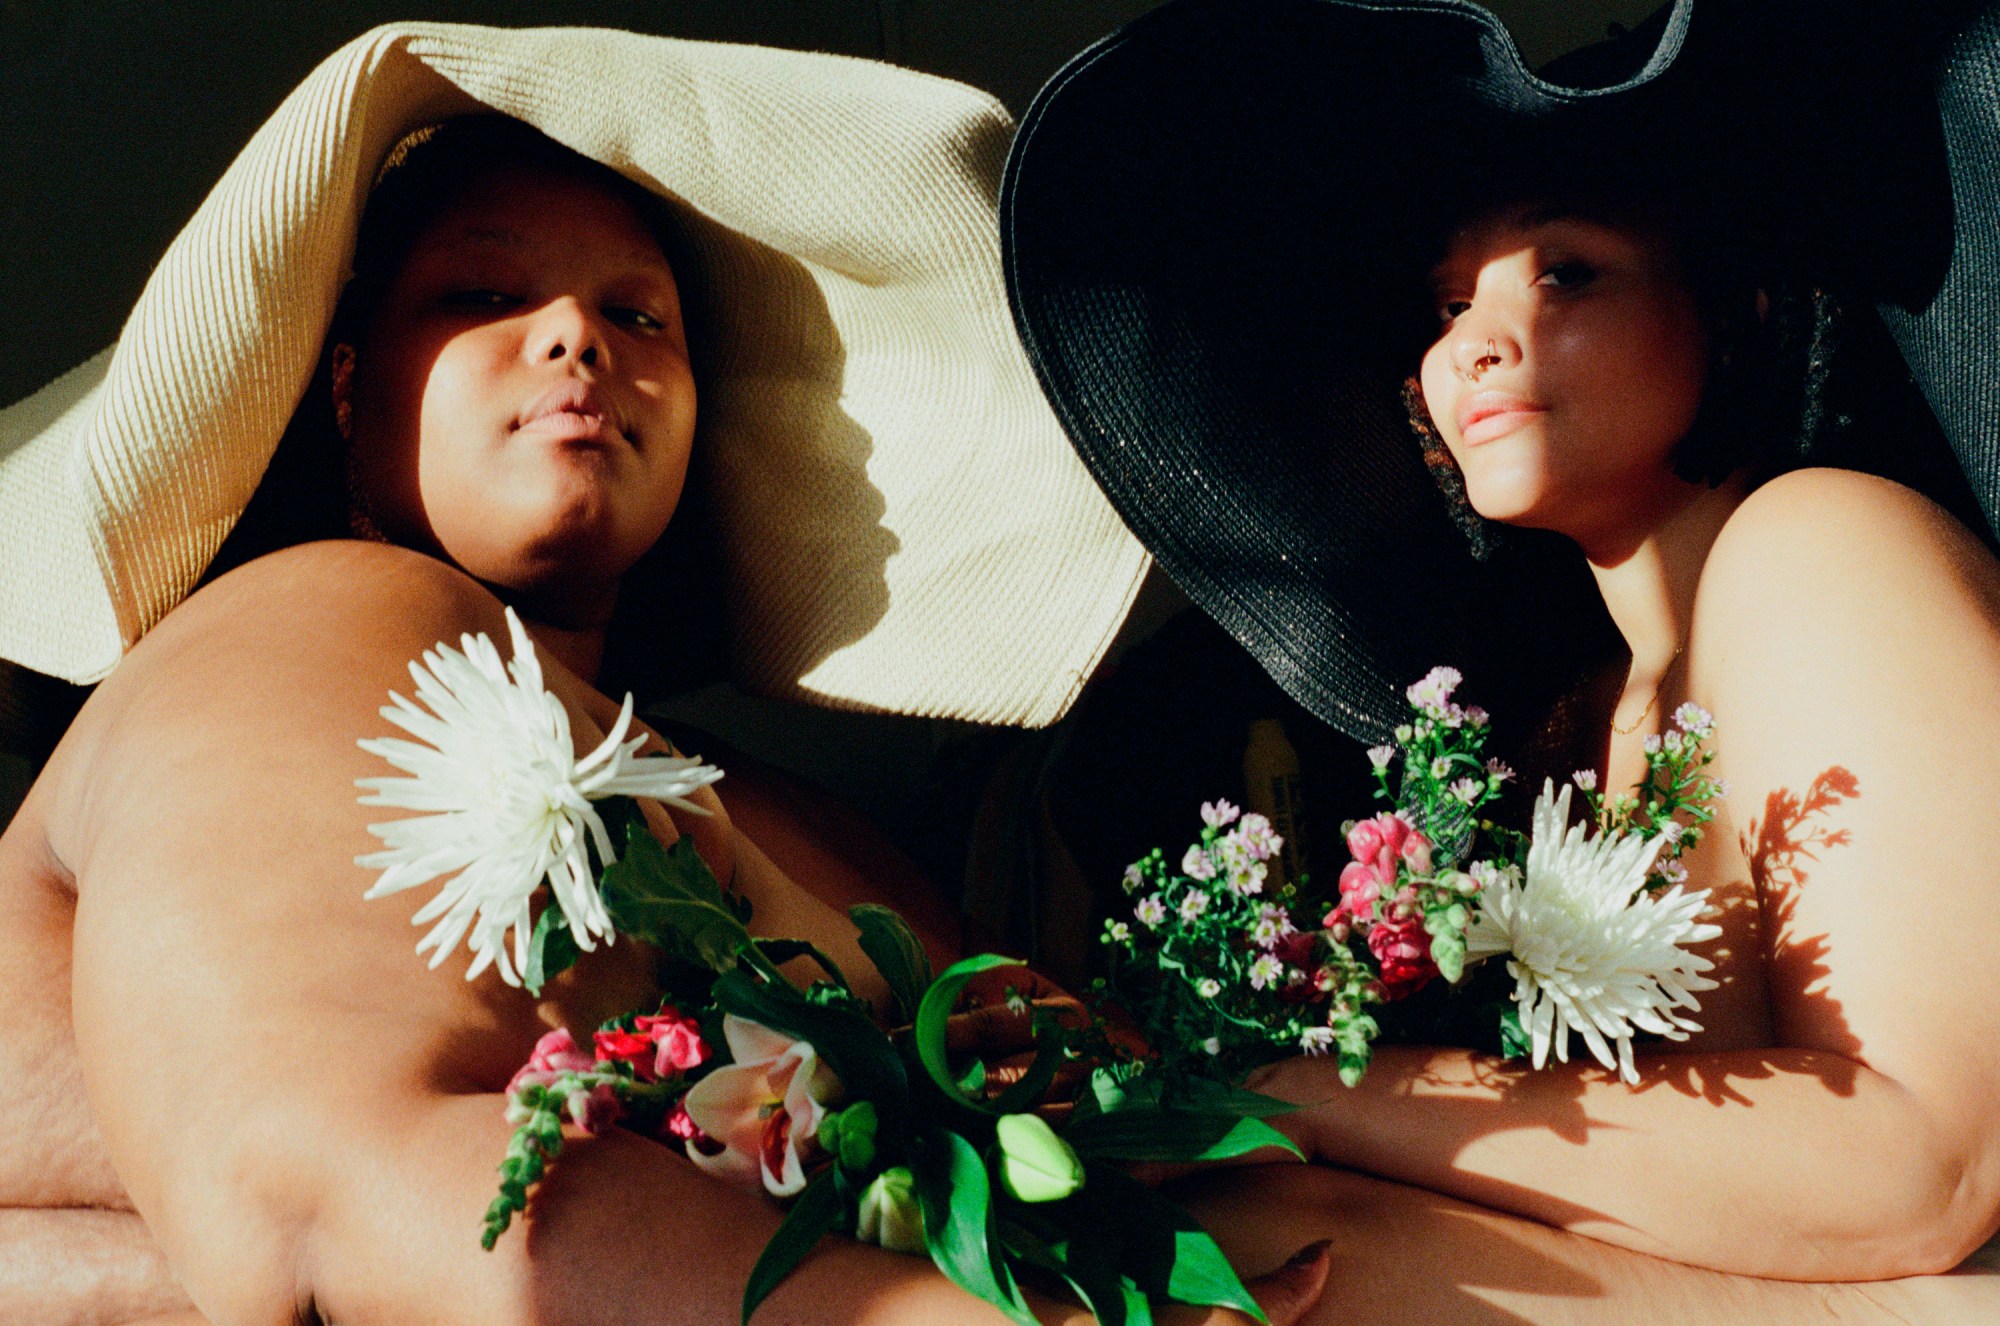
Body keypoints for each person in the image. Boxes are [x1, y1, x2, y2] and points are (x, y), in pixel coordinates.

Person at [0, 25, 1330, 1326]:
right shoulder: (291, 628)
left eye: (638, 314)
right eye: (485, 294)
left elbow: (1106, 1095)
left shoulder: (778, 812)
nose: (578, 337)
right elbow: (333, 1200)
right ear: (351, 382)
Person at [1002, 0, 2000, 1318]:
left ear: (1735, 303)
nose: (1478, 335)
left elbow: (1924, 1162)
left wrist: (1304, 1097)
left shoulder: (1820, 544)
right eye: (1448, 299)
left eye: (1568, 271)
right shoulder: (1578, 707)